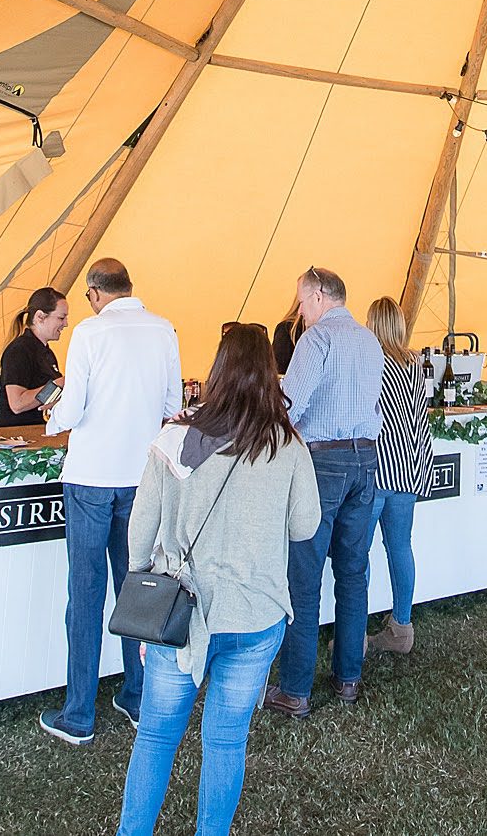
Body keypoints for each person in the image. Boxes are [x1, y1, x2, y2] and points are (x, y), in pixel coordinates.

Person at [113, 324, 320, 836]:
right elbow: (305, 526)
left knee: (157, 738)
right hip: (256, 614)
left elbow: (139, 534)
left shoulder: (173, 439)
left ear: (217, 371)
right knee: (226, 741)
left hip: (180, 613)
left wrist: (144, 594)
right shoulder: (287, 445)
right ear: (271, 375)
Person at [41, 259, 183, 745]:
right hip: (141, 479)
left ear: (94, 293)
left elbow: (73, 407)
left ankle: (79, 713)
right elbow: (173, 406)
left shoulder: (89, 332)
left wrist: (52, 417)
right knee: (136, 588)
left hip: (90, 479)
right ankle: (137, 695)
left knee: (85, 594)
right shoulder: (164, 330)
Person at [266, 266, 383, 716]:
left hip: (323, 463)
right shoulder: (369, 340)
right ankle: (348, 677)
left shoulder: (317, 340)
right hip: (365, 459)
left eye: (301, 300)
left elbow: (290, 403)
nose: (299, 310)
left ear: (317, 296)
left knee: (305, 575)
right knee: (353, 572)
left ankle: (296, 689)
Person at [365, 296, 430, 655]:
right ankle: (401, 626)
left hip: (375, 468)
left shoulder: (371, 362)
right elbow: (420, 417)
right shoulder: (414, 364)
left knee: (358, 554)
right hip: (407, 468)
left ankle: (354, 632)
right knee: (400, 547)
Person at [0, 286, 69, 428]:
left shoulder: (47, 353)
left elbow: (45, 397)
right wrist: (60, 383)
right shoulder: (19, 351)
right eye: (61, 318)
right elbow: (17, 404)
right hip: (16, 437)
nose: (66, 324)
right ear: (40, 317)